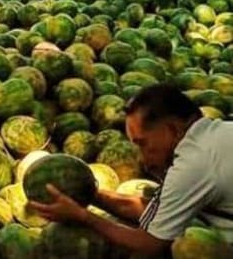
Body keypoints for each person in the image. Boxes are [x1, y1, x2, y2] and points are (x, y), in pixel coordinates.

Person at [29, 84, 233, 256]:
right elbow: (155, 213)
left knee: (186, 245)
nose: (141, 157)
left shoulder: (192, 165)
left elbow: (150, 243)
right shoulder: (219, 132)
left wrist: (82, 216)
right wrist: (89, 194)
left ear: (171, 129)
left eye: (142, 143)